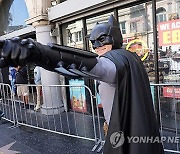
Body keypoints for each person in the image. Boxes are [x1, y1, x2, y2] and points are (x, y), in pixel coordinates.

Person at [0, 15, 164, 154]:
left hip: (127, 131)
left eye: (101, 40)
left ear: (114, 37)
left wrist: (39, 52)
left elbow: (96, 67)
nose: (97, 46)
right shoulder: (131, 57)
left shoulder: (117, 60)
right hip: (137, 126)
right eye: (93, 42)